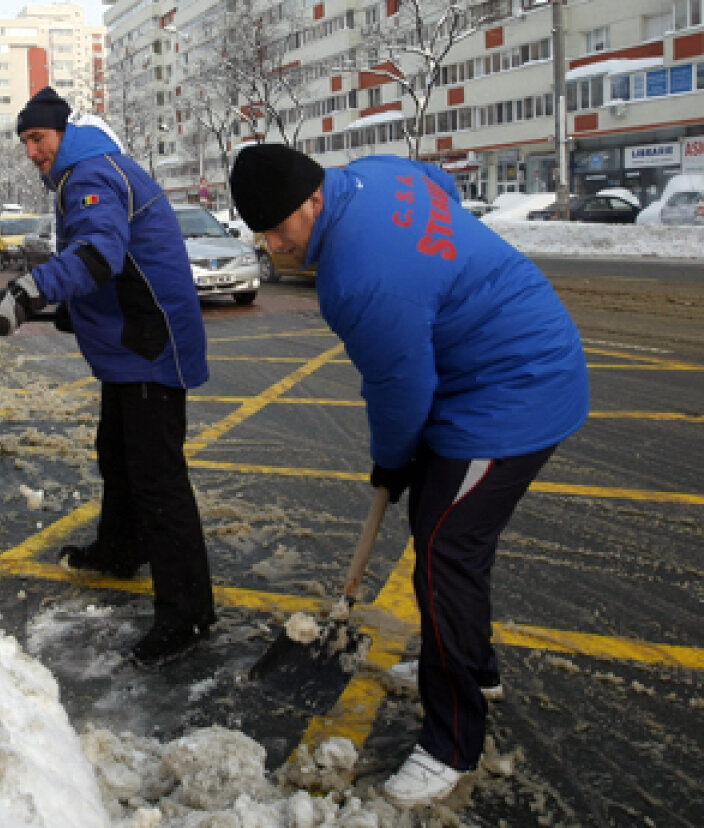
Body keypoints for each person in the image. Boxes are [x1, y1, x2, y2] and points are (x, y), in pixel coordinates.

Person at [229, 145, 589, 808]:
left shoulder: (358, 278)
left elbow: (400, 385)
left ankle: (451, 744)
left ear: (314, 198)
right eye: (263, 234)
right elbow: (438, 183)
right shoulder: (376, 172)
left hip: (513, 390)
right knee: (451, 538)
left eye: (281, 227)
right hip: (503, 364)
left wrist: (392, 460)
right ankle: (470, 671)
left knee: (444, 548)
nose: (276, 245)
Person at [0, 87, 216, 667]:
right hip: (134, 346)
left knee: (158, 480)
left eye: (38, 138)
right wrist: (60, 305)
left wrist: (27, 293)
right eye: (25, 140)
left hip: (150, 347)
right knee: (119, 453)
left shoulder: (89, 176)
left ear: (63, 134)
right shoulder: (92, 169)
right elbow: (114, 267)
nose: (31, 151)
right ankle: (119, 549)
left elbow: (99, 253)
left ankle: (188, 616)